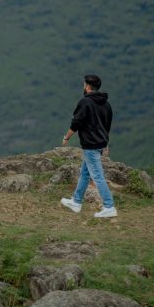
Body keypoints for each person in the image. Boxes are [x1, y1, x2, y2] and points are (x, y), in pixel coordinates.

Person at [60, 74, 116, 218]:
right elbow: (106, 126)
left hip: (90, 145)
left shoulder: (85, 102)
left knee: (97, 176)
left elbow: (76, 123)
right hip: (99, 144)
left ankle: (109, 206)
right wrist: (105, 143)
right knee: (85, 174)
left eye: (84, 85)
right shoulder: (106, 104)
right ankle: (76, 202)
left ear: (88, 86)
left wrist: (66, 137)